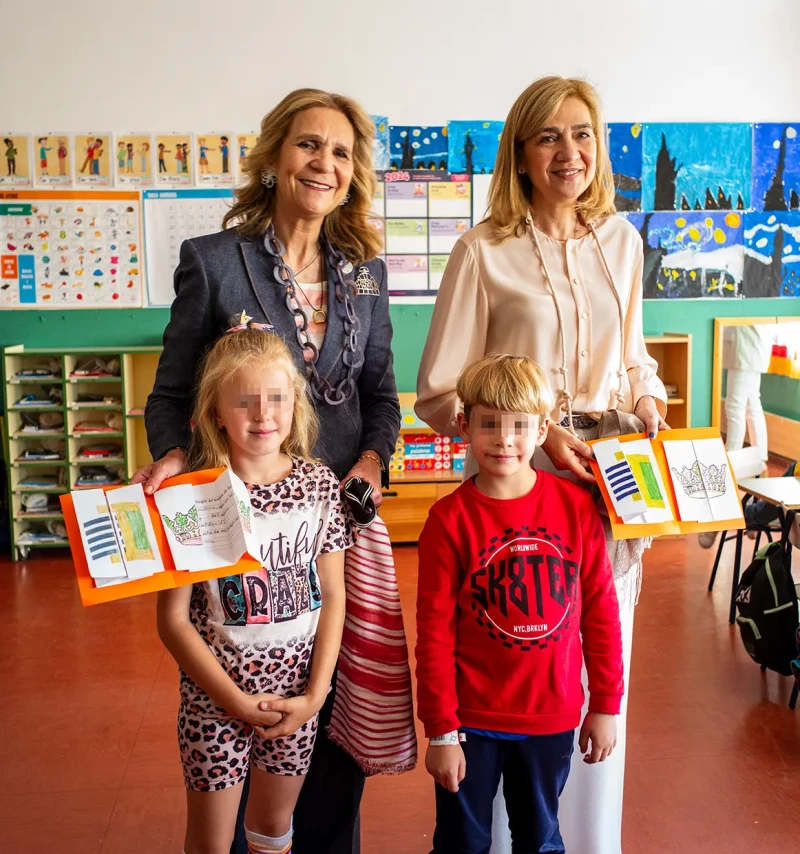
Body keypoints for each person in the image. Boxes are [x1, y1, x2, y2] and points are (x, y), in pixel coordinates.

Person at [134, 87, 401, 854]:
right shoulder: (216, 263)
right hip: (238, 524)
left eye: (342, 152)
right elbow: (173, 391)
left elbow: (380, 392)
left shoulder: (366, 273)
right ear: (276, 157)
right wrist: (178, 461)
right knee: (237, 694)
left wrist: (375, 462)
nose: (325, 163)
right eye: (309, 144)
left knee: (333, 705)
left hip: (337, 520)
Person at [415, 76, 667, 854]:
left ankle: (583, 843)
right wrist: (538, 431)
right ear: (520, 155)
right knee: (514, 667)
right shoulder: (482, 249)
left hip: (611, 487)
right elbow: (438, 391)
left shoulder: (621, 242)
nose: (571, 152)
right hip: (514, 491)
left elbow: (632, 360)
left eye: (584, 133)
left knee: (595, 663)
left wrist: (651, 399)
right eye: (550, 136)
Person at [416, 354, 624, 854]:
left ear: (542, 429)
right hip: (470, 720)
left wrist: (606, 705)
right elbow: (434, 635)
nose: (504, 439)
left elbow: (600, 611)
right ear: (465, 425)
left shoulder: (575, 508)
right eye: (489, 424)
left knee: (540, 838)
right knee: (462, 842)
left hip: (550, 716)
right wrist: (441, 731)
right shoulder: (448, 521)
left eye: (518, 426)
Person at [157, 324, 351, 854]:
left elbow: (333, 596)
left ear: (295, 404)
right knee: (211, 842)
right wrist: (235, 702)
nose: (263, 415)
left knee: (272, 831)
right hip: (214, 702)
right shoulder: (193, 495)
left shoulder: (319, 486)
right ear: (216, 411)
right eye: (244, 402)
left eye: (277, 399)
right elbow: (173, 621)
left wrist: (315, 695)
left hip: (295, 700)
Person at [699, 324, 773, 549]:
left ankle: (728, 470)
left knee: (737, 407)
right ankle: (758, 468)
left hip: (747, 343)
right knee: (751, 405)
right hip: (750, 343)